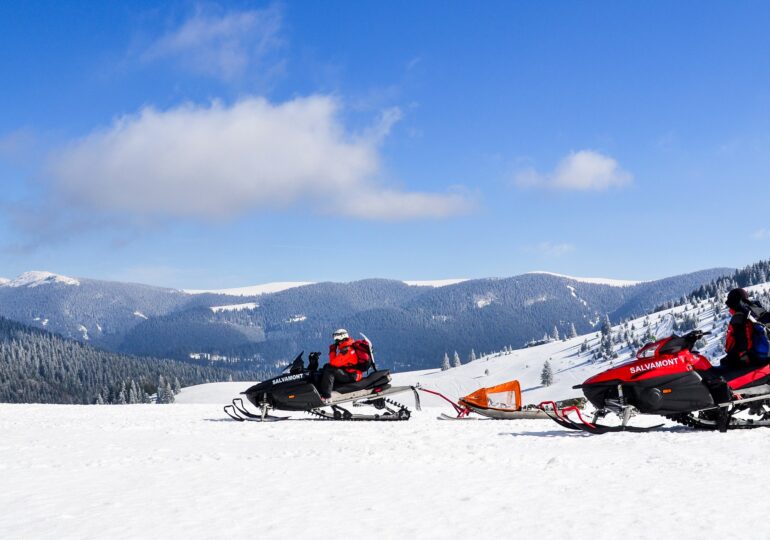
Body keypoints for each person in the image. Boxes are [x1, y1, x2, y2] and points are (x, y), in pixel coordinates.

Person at [318, 328, 372, 401]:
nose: (336, 341)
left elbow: (334, 363)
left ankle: (326, 396)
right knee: (327, 367)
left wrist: (332, 350)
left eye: (337, 339)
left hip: (352, 375)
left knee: (329, 369)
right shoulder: (348, 347)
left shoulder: (346, 350)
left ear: (342, 337)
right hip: (352, 373)